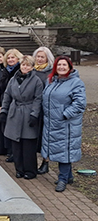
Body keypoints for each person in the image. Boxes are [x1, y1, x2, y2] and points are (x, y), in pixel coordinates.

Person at [41, 56, 86, 192]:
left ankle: (62, 179)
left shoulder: (76, 83)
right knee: (60, 150)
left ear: (69, 67)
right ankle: (69, 176)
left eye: (64, 65)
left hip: (66, 124)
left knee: (64, 151)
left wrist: (65, 114)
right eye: (59, 65)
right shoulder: (51, 81)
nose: (61, 67)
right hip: (51, 122)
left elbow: (80, 103)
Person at [0, 55, 43, 180]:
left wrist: (34, 114)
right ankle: (19, 169)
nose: (25, 67)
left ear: (32, 67)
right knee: (16, 145)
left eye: (28, 65)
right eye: (23, 64)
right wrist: (4, 111)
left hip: (28, 111)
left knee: (28, 144)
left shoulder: (36, 81)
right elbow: (7, 94)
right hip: (15, 112)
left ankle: (30, 170)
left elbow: (38, 98)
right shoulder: (14, 79)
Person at [32, 46, 55, 174]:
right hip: (33, 108)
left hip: (45, 109)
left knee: (45, 137)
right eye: (38, 56)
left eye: (42, 57)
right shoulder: (32, 70)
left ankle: (45, 162)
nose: (39, 59)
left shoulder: (50, 73)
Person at [0, 48, 23, 162]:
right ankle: (10, 151)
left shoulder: (19, 71)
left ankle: (14, 153)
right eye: (8, 58)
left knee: (14, 129)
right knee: (7, 128)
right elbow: (1, 89)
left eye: (13, 57)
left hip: (15, 104)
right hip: (5, 102)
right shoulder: (6, 70)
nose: (11, 59)